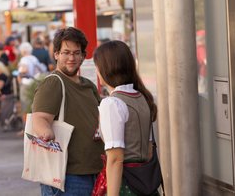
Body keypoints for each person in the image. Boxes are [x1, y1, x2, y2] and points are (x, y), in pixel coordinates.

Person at [31, 27, 104, 195]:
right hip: (67, 175)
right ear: (56, 54)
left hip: (94, 171)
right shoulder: (53, 83)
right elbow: (39, 118)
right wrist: (45, 132)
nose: (71, 58)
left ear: (83, 56)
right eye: (66, 52)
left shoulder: (88, 85)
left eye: (76, 53)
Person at [93, 40, 158, 196]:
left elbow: (115, 159)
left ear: (105, 68)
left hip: (124, 185)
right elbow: (149, 150)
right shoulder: (143, 97)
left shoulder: (112, 104)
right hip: (144, 183)